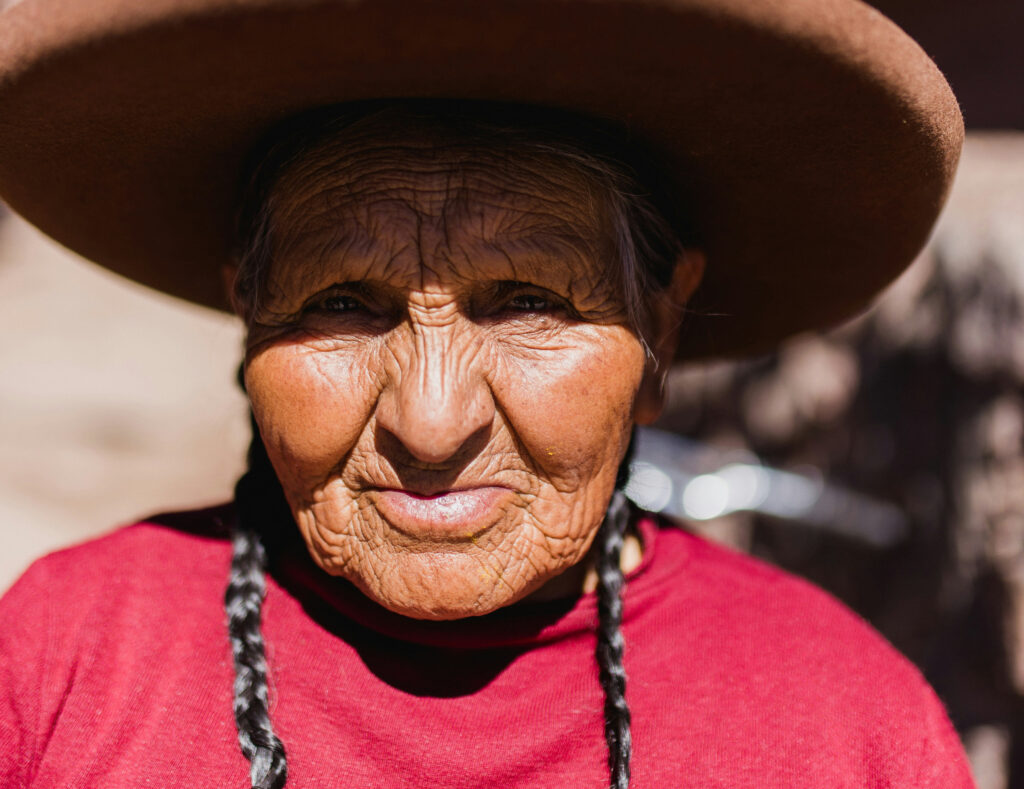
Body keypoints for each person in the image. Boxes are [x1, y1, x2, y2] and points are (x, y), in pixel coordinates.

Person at [0, 0, 975, 787]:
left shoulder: (847, 728)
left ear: (660, 336)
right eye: (342, 304)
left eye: (526, 305)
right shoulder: (61, 655)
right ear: (248, 318)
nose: (429, 426)